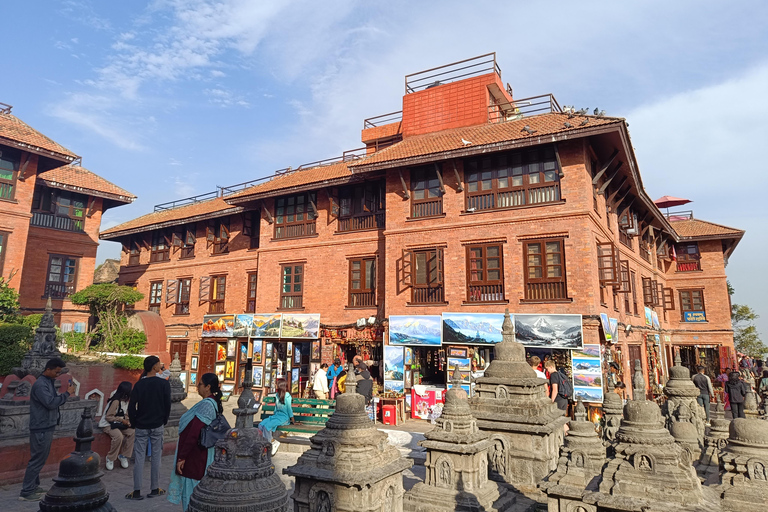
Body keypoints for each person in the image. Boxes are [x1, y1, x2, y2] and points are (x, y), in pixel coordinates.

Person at [19, 357, 75, 502]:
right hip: (41, 427)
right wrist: (67, 394)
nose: (58, 375)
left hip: (46, 425)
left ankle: (33, 486)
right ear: (48, 369)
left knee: (39, 458)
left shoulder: (48, 383)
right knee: (37, 459)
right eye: (56, 372)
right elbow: (50, 403)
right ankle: (27, 491)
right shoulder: (40, 385)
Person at [168, 373, 222, 511]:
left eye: (200, 384)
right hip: (202, 453)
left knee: (191, 495)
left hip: (196, 455)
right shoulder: (211, 403)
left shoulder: (206, 405)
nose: (198, 387)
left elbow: (193, 433)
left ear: (208, 387)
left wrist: (183, 457)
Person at [126, 355, 172, 501]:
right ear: (154, 367)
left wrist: (134, 422)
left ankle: (137, 490)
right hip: (157, 424)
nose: (161, 365)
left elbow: (131, 406)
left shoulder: (139, 385)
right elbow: (167, 405)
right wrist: (163, 420)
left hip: (141, 424)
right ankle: (154, 488)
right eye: (159, 364)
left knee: (139, 457)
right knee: (156, 457)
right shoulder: (163, 384)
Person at [98, 381, 135, 471]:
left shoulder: (126, 401)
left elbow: (125, 414)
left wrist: (128, 421)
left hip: (119, 424)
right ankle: (110, 458)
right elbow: (108, 417)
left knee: (132, 432)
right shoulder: (115, 401)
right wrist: (122, 420)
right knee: (118, 436)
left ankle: (124, 455)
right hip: (108, 424)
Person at [258, 379, 295, 455]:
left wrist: (293, 421)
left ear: (280, 386)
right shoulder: (277, 395)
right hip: (276, 416)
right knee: (261, 425)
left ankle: (269, 446)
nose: (275, 386)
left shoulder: (287, 395)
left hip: (284, 418)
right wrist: (273, 416)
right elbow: (276, 408)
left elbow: (289, 409)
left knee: (267, 426)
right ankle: (270, 442)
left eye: (276, 384)